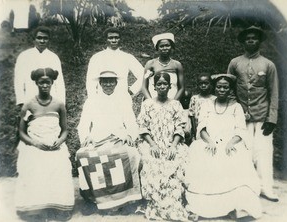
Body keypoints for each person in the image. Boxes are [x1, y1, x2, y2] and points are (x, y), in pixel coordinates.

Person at [185, 74, 262, 220]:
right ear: (215, 88)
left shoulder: (236, 107)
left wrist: (231, 143)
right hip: (209, 142)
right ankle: (201, 207)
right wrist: (210, 141)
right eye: (219, 87)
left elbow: (240, 130)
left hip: (230, 143)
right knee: (203, 160)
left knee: (234, 161)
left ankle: (238, 207)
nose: (222, 89)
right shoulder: (207, 105)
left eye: (225, 87)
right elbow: (201, 127)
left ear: (230, 90)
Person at [76, 71, 142, 215]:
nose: (108, 84)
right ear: (100, 82)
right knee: (83, 156)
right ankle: (92, 200)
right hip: (97, 138)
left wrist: (130, 135)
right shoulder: (92, 100)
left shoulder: (123, 99)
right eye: (104, 81)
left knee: (130, 154)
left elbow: (131, 121)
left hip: (118, 137)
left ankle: (126, 200)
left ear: (116, 83)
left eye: (111, 81)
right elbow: (83, 124)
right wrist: (86, 137)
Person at [227, 26, 279, 202]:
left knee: (264, 152)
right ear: (243, 42)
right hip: (242, 116)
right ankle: (246, 188)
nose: (251, 40)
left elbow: (274, 93)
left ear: (259, 41)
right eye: (247, 38)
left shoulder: (268, 64)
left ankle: (266, 188)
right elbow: (229, 88)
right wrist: (236, 112)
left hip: (263, 115)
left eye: (254, 38)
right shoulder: (235, 63)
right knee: (243, 153)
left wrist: (272, 118)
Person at [15, 68, 74, 221]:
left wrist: (59, 141)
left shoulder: (59, 104)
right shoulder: (29, 104)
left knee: (61, 165)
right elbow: (21, 132)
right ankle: (37, 207)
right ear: (36, 83)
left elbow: (65, 130)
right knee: (34, 164)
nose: (45, 86)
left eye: (48, 82)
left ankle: (57, 206)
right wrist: (35, 143)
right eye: (41, 83)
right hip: (35, 144)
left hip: (54, 144)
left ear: (52, 83)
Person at [137, 72, 189, 221]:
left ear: (169, 86)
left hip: (171, 143)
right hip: (151, 143)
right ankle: (156, 203)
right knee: (153, 163)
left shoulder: (175, 104)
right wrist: (152, 144)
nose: (161, 87)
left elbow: (180, 127)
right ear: (154, 87)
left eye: (164, 84)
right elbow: (143, 127)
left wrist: (173, 146)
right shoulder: (147, 104)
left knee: (175, 162)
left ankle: (174, 203)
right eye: (158, 84)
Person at [85, 27, 144, 106]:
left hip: (122, 99)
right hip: (101, 99)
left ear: (120, 39)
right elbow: (90, 81)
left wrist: (132, 91)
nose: (114, 40)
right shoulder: (96, 57)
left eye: (116, 38)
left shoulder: (127, 57)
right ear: (106, 40)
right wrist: (93, 99)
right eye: (110, 38)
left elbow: (143, 74)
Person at [14, 26, 66, 106]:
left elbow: (59, 82)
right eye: (39, 38)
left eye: (45, 38)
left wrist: (62, 103)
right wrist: (21, 101)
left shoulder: (54, 57)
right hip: (31, 100)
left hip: (51, 101)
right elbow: (19, 81)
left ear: (49, 40)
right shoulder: (24, 56)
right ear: (34, 39)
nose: (42, 41)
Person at [142, 32, 184, 100]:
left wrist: (173, 103)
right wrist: (151, 102)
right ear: (157, 48)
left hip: (173, 99)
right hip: (154, 99)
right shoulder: (150, 64)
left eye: (167, 45)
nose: (165, 48)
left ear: (171, 47)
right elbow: (144, 87)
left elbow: (181, 88)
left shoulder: (177, 65)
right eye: (161, 46)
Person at [189, 73, 216, 140]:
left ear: (211, 84)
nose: (203, 85)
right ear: (197, 85)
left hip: (211, 127)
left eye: (206, 83)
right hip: (198, 127)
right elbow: (192, 116)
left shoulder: (214, 99)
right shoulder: (194, 98)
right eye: (201, 83)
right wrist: (194, 132)